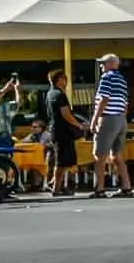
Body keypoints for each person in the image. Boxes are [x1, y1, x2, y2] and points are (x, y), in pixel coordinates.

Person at [90, 53, 134, 198]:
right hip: (121, 118)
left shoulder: (107, 77)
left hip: (108, 118)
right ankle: (126, 186)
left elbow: (104, 99)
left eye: (103, 63)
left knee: (100, 155)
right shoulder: (122, 79)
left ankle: (100, 188)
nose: (102, 66)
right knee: (116, 155)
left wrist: (95, 119)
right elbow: (126, 103)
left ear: (110, 64)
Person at [44, 69, 88, 197]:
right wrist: (79, 125)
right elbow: (66, 114)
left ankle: (54, 184)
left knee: (64, 161)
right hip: (62, 131)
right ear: (59, 80)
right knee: (61, 161)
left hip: (55, 130)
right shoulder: (59, 95)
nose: (67, 81)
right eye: (65, 78)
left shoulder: (50, 94)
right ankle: (56, 188)